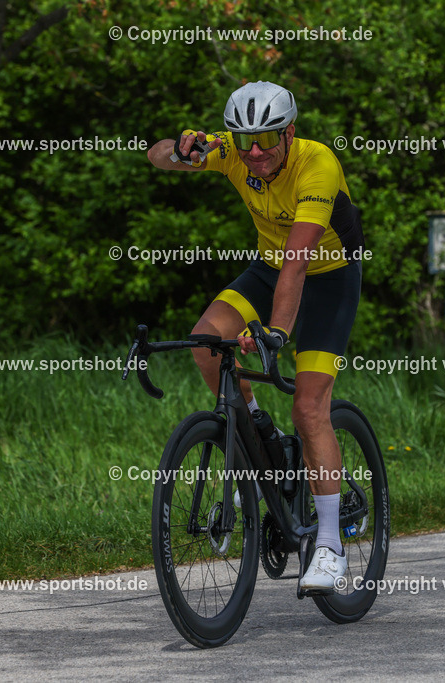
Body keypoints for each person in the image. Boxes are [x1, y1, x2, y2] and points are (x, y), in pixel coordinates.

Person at [147, 81, 364, 593]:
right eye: (245, 142)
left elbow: (298, 262)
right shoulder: (235, 153)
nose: (256, 153)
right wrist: (178, 152)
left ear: (290, 133)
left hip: (327, 276)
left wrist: (275, 333)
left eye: (267, 139)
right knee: (205, 341)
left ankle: (330, 546)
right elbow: (156, 156)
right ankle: (258, 436)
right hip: (268, 269)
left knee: (310, 409)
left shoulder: (318, 164)